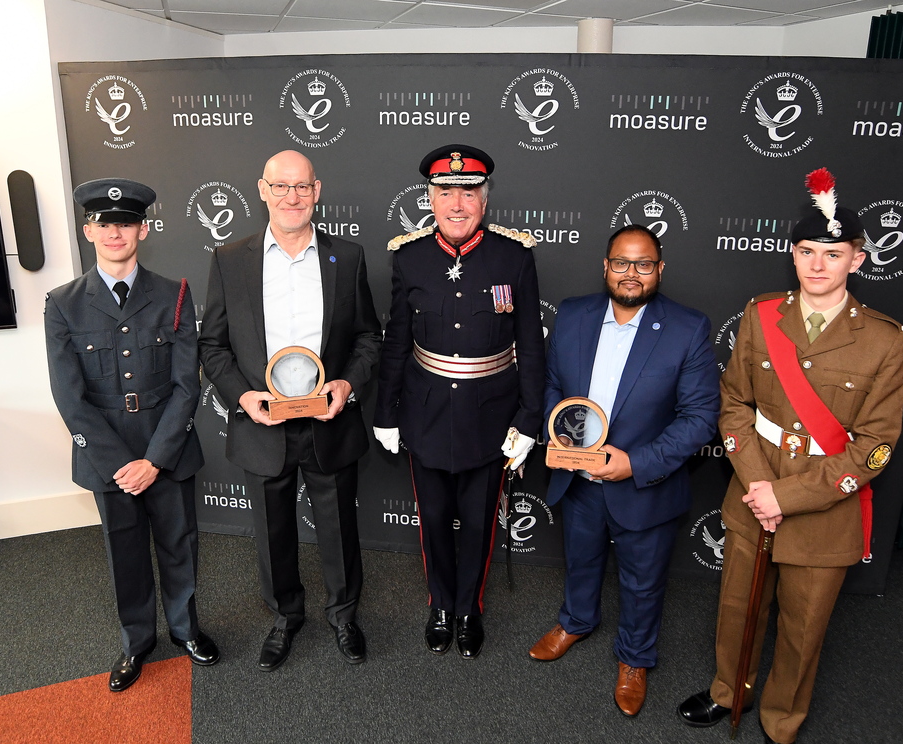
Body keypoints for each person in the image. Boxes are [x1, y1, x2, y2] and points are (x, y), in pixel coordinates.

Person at [677, 169, 903, 744]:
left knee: (804, 629)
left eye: (833, 254)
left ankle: (782, 718)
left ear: (856, 260)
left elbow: (874, 447)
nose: (817, 265)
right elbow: (733, 404)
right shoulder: (761, 316)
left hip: (823, 508)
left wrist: (788, 495)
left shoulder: (883, 339)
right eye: (807, 251)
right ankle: (730, 690)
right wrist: (760, 486)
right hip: (754, 495)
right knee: (737, 611)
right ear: (793, 255)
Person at [199, 151, 381, 669]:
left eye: (301, 187)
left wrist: (347, 384)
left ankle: (344, 614)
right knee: (272, 531)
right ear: (262, 190)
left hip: (329, 418)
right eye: (281, 187)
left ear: (317, 190)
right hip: (264, 423)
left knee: (339, 526)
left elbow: (369, 335)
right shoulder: (229, 259)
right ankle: (285, 617)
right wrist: (242, 396)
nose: (292, 197)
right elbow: (212, 345)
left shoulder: (348, 257)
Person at [528, 224, 720, 716]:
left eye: (643, 264)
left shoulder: (687, 327)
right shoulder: (573, 314)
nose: (630, 273)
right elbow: (553, 384)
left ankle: (635, 658)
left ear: (659, 270)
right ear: (606, 266)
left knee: (642, 580)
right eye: (621, 262)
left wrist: (635, 463)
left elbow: (700, 418)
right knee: (582, 559)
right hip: (579, 475)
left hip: (643, 484)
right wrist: (562, 428)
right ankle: (575, 621)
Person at [45, 178, 218, 693]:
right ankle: (136, 641)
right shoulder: (63, 303)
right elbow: (69, 397)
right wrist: (123, 464)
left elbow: (189, 386)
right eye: (104, 223)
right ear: (88, 229)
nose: (114, 232)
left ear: (143, 229)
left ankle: (186, 628)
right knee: (124, 551)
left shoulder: (176, 294)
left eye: (125, 223)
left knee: (179, 544)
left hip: (167, 449)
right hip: (108, 459)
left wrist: (155, 459)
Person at [373, 144, 544, 658]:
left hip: (491, 417)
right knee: (433, 519)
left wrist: (530, 420)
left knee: (477, 523)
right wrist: (386, 413)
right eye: (445, 191)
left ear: (484, 201)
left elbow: (531, 345)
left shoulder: (514, 257)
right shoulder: (409, 256)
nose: (456, 203)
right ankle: (441, 605)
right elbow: (397, 341)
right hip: (425, 413)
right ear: (429, 197)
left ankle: (469, 609)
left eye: (468, 192)